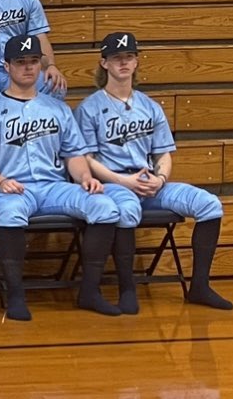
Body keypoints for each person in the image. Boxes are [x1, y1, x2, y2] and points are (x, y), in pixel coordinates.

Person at [75, 32, 231, 312]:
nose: (123, 62)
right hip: (113, 182)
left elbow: (163, 154)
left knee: (209, 204)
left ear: (136, 62)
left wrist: (160, 179)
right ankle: (128, 289)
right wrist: (124, 181)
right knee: (126, 209)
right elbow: (86, 159)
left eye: (129, 56)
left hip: (149, 182)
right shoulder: (89, 108)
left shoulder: (150, 106)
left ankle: (199, 287)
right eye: (116, 57)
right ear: (104, 63)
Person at [0, 35, 121, 320]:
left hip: (55, 187)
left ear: (41, 65)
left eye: (33, 62)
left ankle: (89, 292)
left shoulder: (57, 109)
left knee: (105, 207)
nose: (28, 68)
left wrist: (85, 178)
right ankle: (15, 296)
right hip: (12, 188)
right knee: (10, 213)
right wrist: (0, 181)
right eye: (20, 62)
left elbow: (73, 154)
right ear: (7, 66)